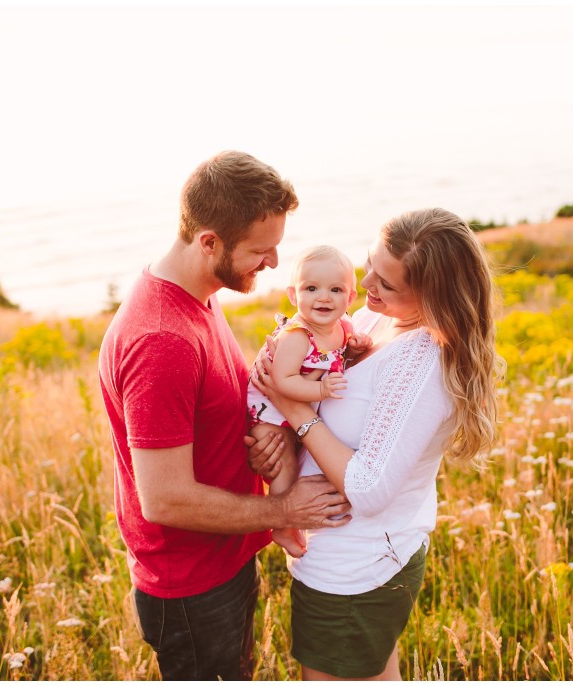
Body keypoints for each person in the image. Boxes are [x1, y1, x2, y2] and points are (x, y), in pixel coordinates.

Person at [98, 151, 352, 681]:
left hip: (224, 558)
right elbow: (164, 498)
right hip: (192, 586)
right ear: (208, 242)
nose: (276, 264)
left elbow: (210, 409)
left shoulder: (199, 295)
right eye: (261, 251)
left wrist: (259, 438)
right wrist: (283, 509)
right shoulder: (160, 339)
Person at [251, 207, 502, 680]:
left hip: (357, 570)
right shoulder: (373, 320)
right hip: (350, 558)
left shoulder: (424, 362)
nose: (366, 285)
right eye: (371, 265)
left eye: (386, 284)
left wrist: (295, 410)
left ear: (431, 297)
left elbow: (368, 487)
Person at [245, 245, 371, 558]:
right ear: (293, 294)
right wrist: (322, 392)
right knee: (284, 464)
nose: (324, 297)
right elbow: (283, 382)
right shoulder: (297, 336)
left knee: (298, 457)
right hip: (269, 413)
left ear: (350, 298)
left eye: (336, 289)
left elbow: (336, 358)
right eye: (311, 288)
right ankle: (283, 524)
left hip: (297, 409)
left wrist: (355, 349)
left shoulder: (342, 328)